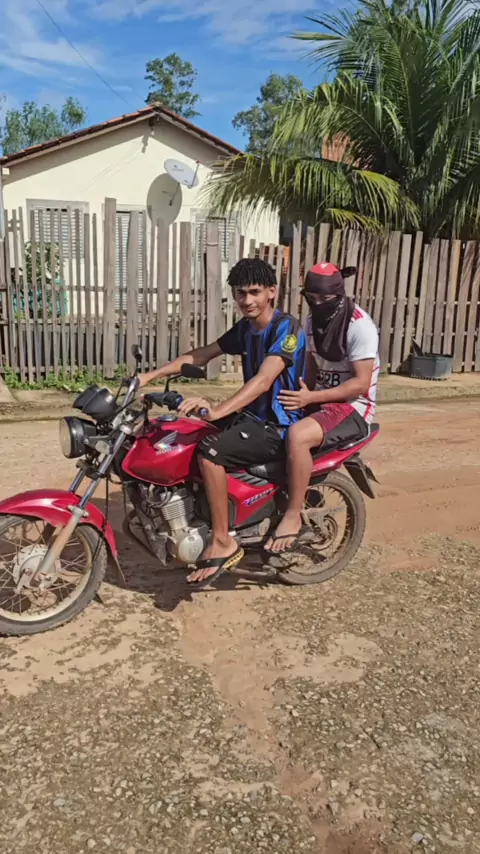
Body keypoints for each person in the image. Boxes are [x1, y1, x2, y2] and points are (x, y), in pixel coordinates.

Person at [138, 258, 306, 585]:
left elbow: (263, 380)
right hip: (251, 417)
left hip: (277, 424)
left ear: (272, 292)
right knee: (184, 435)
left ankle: (222, 540)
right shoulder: (245, 329)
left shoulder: (286, 329)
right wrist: (148, 376)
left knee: (210, 452)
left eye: (254, 292)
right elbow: (202, 354)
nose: (247, 300)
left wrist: (217, 410)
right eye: (241, 293)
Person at [265, 262, 379, 553]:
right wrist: (299, 394)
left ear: (339, 295)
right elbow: (310, 367)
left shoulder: (359, 326)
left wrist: (311, 399)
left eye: (325, 299)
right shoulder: (310, 322)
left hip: (353, 407)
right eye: (311, 298)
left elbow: (361, 384)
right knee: (268, 422)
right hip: (320, 399)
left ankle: (293, 515)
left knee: (298, 436)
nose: (318, 304)